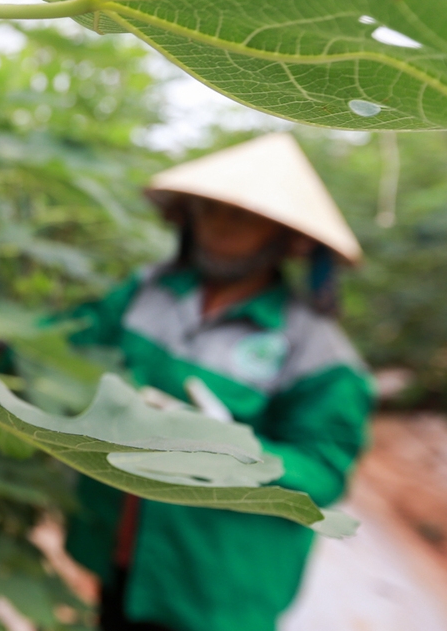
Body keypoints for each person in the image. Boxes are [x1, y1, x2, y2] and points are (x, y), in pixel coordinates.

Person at [60, 133, 374, 631]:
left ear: (284, 236)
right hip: (124, 543)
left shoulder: (319, 353)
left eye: (243, 217)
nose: (221, 229)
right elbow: (65, 342)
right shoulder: (146, 292)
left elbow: (325, 471)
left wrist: (234, 447)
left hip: (215, 579)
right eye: (210, 211)